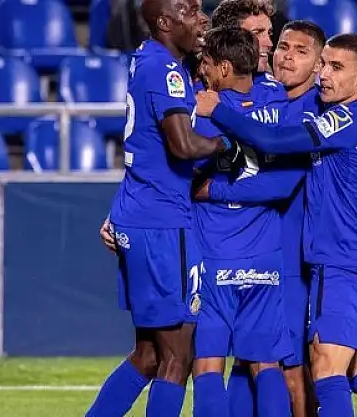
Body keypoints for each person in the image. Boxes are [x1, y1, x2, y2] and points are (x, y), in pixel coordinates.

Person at [195, 34, 357, 417]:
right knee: (355, 370)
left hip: (341, 261)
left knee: (326, 370)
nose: (324, 75)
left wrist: (218, 110)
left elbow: (273, 140)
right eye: (324, 64)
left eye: (336, 67)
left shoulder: (346, 118)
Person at [83, 0, 236, 415]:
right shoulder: (165, 70)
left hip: (142, 212)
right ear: (165, 23)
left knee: (149, 355)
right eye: (190, 11)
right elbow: (182, 145)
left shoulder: (148, 58)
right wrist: (227, 145)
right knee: (177, 357)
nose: (201, 18)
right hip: (162, 222)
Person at [202, 19, 325, 417]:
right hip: (265, 247)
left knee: (292, 369)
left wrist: (213, 191)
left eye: (299, 51)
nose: (279, 52)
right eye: (279, 44)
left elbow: (282, 182)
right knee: (250, 363)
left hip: (292, 254)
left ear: (319, 64)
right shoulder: (267, 96)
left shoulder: (313, 111)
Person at [189, 26, 293, 417]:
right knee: (266, 364)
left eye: (208, 63)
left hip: (215, 252)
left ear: (224, 67)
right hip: (265, 253)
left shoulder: (205, 111)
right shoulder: (278, 101)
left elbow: (185, 168)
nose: (203, 70)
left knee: (207, 363)